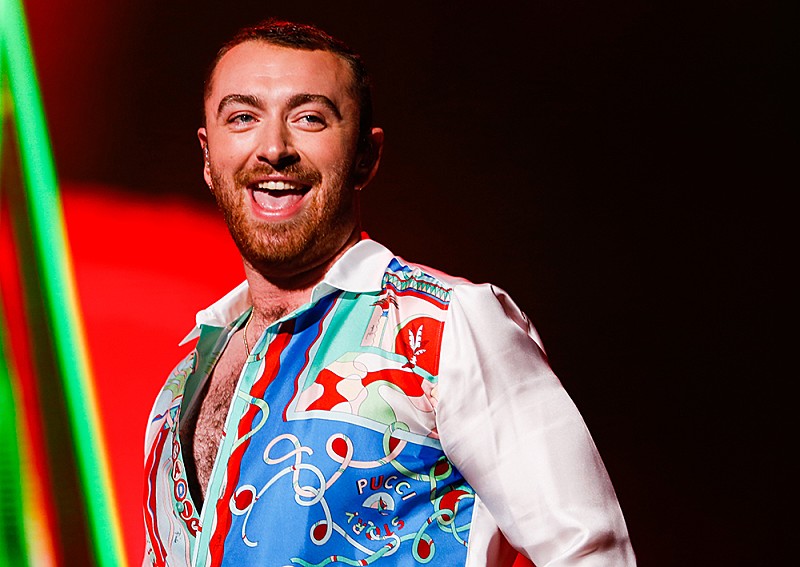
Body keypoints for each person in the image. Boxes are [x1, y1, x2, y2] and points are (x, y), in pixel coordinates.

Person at [142, 18, 635, 567]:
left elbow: (590, 553)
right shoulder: (183, 381)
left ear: (365, 157)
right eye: (243, 117)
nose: (273, 147)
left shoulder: (450, 325)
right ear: (207, 157)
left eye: (309, 118)